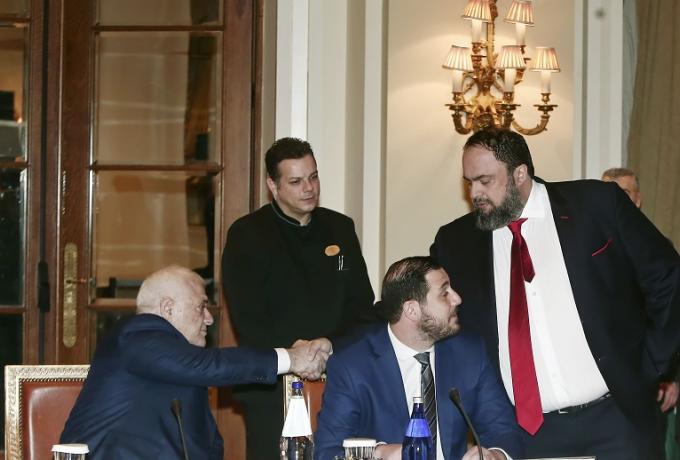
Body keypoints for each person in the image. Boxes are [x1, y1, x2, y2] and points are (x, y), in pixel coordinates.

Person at [430, 128, 680, 459]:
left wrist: (653, 365)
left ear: (520, 174)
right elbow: (430, 314)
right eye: (469, 182)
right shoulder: (456, 242)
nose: (475, 193)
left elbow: (667, 277)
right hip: (522, 435)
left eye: (485, 181)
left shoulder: (595, 204)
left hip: (618, 421)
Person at [60, 265, 330, 460]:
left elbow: (203, 446)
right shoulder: (136, 335)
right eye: (201, 307)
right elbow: (210, 365)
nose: (209, 319)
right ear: (168, 308)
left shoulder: (180, 362)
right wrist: (291, 358)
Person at [221, 137, 376, 459]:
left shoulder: (340, 228)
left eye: (313, 177)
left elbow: (362, 306)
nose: (309, 188)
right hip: (272, 383)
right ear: (273, 185)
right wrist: (297, 356)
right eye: (295, 181)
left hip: (339, 374)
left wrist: (329, 344)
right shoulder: (247, 234)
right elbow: (248, 319)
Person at [314, 256, 524, 460]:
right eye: (444, 293)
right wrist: (379, 453)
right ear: (412, 310)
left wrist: (496, 455)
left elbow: (503, 429)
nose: (457, 299)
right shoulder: (352, 365)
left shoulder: (469, 352)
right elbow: (327, 451)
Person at [602, 166, 680, 457]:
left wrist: (670, 375)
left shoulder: (658, 249)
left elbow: (672, 317)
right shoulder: (585, 249)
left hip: (648, 378)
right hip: (601, 386)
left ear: (637, 200)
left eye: (623, 194)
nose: (615, 201)